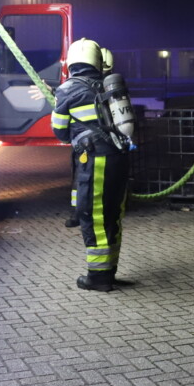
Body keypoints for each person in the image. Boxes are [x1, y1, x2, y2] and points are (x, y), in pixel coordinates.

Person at [52, 38, 133, 291]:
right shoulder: (107, 85)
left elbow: (60, 132)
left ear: (71, 62)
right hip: (120, 158)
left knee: (93, 216)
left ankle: (98, 277)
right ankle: (110, 270)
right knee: (112, 215)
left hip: (95, 160)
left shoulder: (66, 90)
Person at [64, 47, 114, 228]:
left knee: (81, 179)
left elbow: (68, 111)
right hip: (111, 147)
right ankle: (84, 211)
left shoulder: (75, 87)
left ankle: (79, 212)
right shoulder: (111, 87)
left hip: (86, 146)